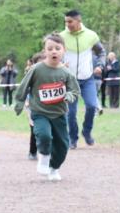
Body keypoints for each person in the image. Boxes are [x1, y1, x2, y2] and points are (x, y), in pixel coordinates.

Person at [14, 34, 79, 181]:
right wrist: (19, 102)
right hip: (40, 112)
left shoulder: (67, 73)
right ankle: (43, 157)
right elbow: (24, 85)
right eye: (50, 49)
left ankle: (54, 168)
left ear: (64, 50)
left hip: (59, 114)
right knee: (44, 135)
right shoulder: (36, 69)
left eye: (57, 48)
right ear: (45, 51)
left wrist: (69, 95)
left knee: (63, 145)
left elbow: (74, 90)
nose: (54, 51)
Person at [62, 9, 105, 148]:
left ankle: (87, 132)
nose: (67, 24)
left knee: (92, 106)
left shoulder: (91, 35)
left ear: (79, 20)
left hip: (88, 79)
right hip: (70, 80)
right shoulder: (61, 37)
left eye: (70, 21)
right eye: (66, 22)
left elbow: (101, 52)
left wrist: (100, 65)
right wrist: (60, 64)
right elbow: (54, 54)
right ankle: (72, 139)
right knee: (71, 112)